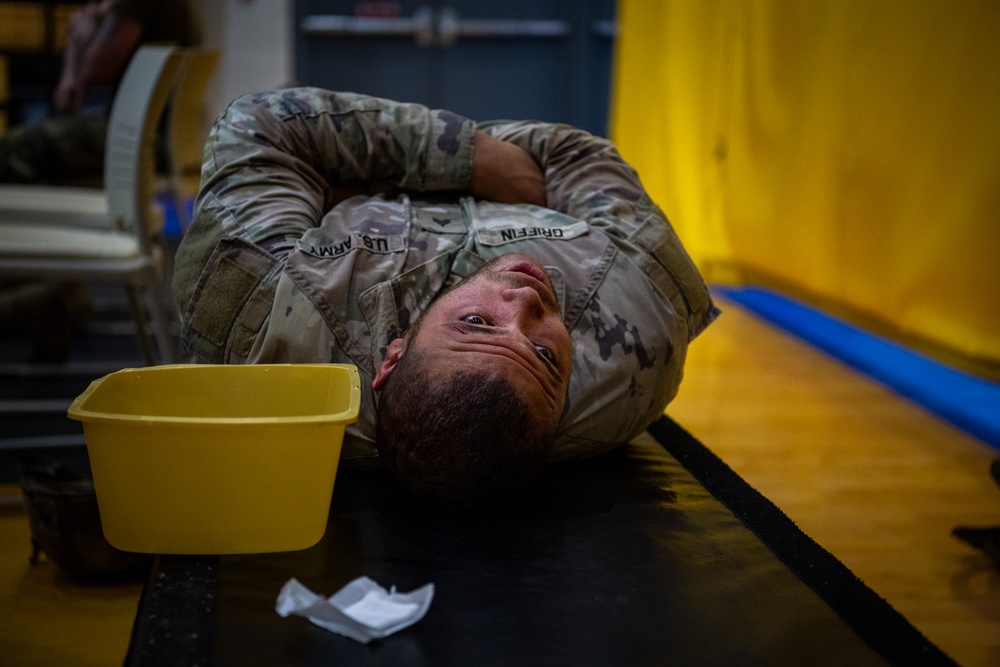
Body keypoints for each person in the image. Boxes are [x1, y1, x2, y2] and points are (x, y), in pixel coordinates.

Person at [172, 88, 719, 507]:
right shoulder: (646, 328)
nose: (526, 305)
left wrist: (468, 159)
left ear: (394, 353)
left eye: (477, 322)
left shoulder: (260, 310)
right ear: (562, 418)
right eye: (547, 357)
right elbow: (576, 153)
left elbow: (260, 123)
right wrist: (484, 162)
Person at [0, 0, 200, 185]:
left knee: (9, 149)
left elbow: (93, 72)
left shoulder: (130, 5)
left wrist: (82, 30)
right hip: (158, 138)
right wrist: (70, 72)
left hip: (137, 140)